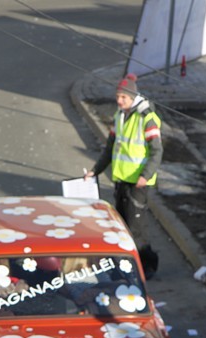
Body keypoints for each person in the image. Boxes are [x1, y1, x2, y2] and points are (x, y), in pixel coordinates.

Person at [85, 73, 162, 279]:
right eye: (118, 97)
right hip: (122, 180)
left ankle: (147, 266)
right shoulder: (119, 116)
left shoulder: (147, 118)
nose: (119, 101)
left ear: (132, 97)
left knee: (136, 228)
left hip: (138, 183)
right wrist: (95, 171)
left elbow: (157, 151)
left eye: (123, 98)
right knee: (122, 226)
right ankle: (127, 265)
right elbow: (110, 147)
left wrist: (145, 176)